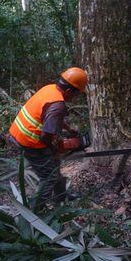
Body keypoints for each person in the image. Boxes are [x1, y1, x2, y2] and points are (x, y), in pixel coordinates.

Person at [9, 67, 88, 210]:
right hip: (29, 141)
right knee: (49, 177)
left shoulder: (50, 89)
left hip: (18, 131)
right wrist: (55, 149)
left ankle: (61, 196)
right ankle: (35, 213)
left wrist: (68, 129)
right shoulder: (58, 105)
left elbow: (50, 116)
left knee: (54, 164)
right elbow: (46, 137)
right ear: (69, 91)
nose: (75, 97)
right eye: (76, 94)